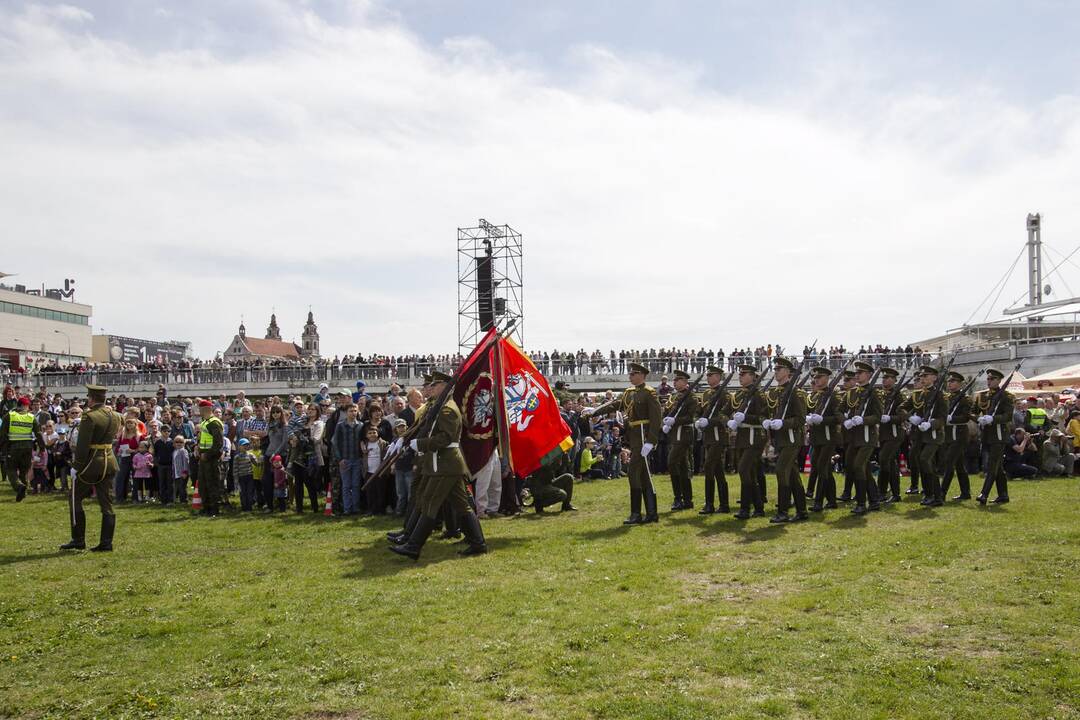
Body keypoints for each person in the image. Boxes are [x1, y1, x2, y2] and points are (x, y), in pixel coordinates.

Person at [389, 370, 487, 560]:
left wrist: (422, 444)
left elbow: (446, 437)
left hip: (445, 463)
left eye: (434, 385)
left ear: (443, 386)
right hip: (444, 463)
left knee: (430, 502)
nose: (431, 388)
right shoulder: (442, 406)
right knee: (461, 505)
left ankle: (414, 546)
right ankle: (478, 543)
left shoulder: (448, 409)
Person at [586, 362, 660, 525]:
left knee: (634, 472)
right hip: (634, 436)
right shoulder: (628, 393)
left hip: (643, 434)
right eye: (630, 374)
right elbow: (614, 405)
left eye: (633, 374)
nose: (630, 377)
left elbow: (656, 419)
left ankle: (636, 514)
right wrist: (595, 411)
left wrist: (651, 441)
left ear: (642, 375)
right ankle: (651, 513)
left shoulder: (649, 393)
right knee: (643, 475)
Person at [60, 385, 121, 552]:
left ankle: (78, 539)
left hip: (91, 463)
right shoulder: (115, 415)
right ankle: (106, 543)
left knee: (75, 498)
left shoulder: (89, 416)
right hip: (109, 461)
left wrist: (77, 466)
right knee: (106, 503)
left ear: (91, 398)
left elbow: (82, 444)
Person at [763, 357, 809, 523]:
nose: (776, 371)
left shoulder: (796, 392)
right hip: (780, 440)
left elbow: (800, 419)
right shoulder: (776, 392)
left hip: (791, 438)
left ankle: (783, 511)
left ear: (788, 372)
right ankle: (802, 511)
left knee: (781, 470)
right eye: (775, 369)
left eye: (779, 369)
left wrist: (783, 423)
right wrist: (768, 421)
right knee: (792, 475)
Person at [901, 365, 947, 507]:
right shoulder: (918, 394)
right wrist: (910, 417)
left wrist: (931, 424)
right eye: (922, 376)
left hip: (934, 435)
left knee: (924, 459)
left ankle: (936, 495)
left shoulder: (940, 395)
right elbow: (901, 408)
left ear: (934, 377)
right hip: (920, 435)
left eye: (926, 376)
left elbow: (943, 418)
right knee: (924, 463)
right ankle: (930, 495)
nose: (923, 378)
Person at [842, 360, 883, 514]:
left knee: (859, 466)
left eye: (861, 373)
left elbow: (878, 416)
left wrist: (863, 420)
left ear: (869, 375)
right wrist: (845, 420)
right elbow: (840, 410)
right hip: (854, 437)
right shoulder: (851, 392)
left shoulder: (874, 392)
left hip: (867, 437)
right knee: (861, 468)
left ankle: (861, 503)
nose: (857, 375)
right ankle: (874, 500)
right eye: (856, 373)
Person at [728, 364, 767, 519]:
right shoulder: (740, 394)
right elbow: (727, 410)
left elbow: (764, 417)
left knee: (744, 470)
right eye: (740, 374)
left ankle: (745, 508)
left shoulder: (759, 394)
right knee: (748, 473)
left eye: (744, 374)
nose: (741, 376)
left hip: (754, 436)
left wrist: (746, 418)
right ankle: (758, 508)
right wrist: (729, 420)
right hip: (742, 437)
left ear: (752, 376)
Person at [972, 368, 1015, 505]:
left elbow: (1008, 416)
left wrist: (993, 419)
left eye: (992, 379)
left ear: (999, 381)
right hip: (986, 435)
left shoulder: (1007, 397)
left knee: (991, 465)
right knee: (997, 466)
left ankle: (984, 494)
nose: (989, 381)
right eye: (988, 379)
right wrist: (978, 418)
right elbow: (972, 412)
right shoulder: (981, 396)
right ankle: (1003, 495)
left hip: (999, 435)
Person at [805, 366, 844, 511]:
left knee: (822, 467)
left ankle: (818, 502)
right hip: (816, 438)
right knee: (824, 469)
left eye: (819, 377)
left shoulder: (833, 396)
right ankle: (832, 500)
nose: (816, 380)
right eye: (815, 378)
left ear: (827, 378)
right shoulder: (814, 396)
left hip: (828, 437)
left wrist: (823, 420)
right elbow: (808, 411)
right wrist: (808, 418)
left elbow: (838, 417)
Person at [661, 369, 700, 511]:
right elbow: (668, 412)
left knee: (671, 462)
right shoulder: (676, 397)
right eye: (674, 380)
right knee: (683, 467)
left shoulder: (692, 397)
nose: (674, 382)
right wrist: (665, 421)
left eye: (677, 380)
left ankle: (678, 498)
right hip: (675, 434)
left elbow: (691, 417)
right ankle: (687, 500)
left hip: (684, 434)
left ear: (684, 382)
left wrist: (674, 421)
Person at [696, 365, 731, 514]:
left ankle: (709, 504)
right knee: (717, 471)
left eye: (711, 375)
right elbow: (699, 411)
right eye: (708, 375)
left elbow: (725, 416)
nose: (708, 378)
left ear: (718, 377)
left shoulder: (725, 394)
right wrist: (697, 420)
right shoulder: (705, 394)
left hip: (718, 435)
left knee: (709, 467)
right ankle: (723, 505)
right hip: (709, 437)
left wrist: (709, 422)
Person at [1, 396, 46, 501]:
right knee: (24, 471)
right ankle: (23, 493)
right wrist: (42, 447)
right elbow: (38, 433)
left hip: (13, 447)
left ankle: (19, 487)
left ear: (18, 405)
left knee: (10, 469)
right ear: (26, 406)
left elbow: (2, 434)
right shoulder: (31, 417)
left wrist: (3, 448)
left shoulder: (9, 416)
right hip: (27, 448)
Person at [940, 371, 973, 501]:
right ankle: (965, 493)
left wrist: (951, 419)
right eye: (949, 381)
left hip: (959, 435)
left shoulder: (966, 399)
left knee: (949, 463)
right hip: (948, 434)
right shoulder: (946, 397)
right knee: (959, 464)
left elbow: (966, 417)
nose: (949, 383)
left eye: (952, 381)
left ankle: (942, 493)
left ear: (959, 384)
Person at [875, 367, 906, 503]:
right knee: (889, 462)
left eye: (887, 378)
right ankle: (893, 493)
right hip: (883, 434)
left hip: (894, 433)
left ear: (894, 380)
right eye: (883, 378)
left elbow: (903, 415)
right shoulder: (882, 395)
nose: (884, 380)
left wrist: (890, 418)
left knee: (884, 459)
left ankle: (882, 491)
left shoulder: (899, 396)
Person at [332, 402, 364, 515]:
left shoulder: (360, 425)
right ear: (346, 412)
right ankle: (347, 508)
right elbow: (335, 442)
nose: (353, 413)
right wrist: (340, 459)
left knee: (356, 485)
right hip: (345, 459)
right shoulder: (340, 425)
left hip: (357, 459)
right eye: (351, 411)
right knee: (346, 485)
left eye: (355, 411)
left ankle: (355, 508)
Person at [196, 399, 225, 516]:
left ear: (205, 409)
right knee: (203, 484)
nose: (199, 411)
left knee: (212, 483)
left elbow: (218, 444)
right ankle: (206, 507)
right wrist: (198, 449)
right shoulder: (205, 422)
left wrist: (207, 454)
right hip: (204, 458)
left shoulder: (214, 423)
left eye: (200, 409)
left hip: (212, 459)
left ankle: (214, 509)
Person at [172, 435, 190, 503]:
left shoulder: (183, 451)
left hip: (182, 472)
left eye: (181, 442)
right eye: (177, 442)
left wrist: (185, 472)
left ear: (184, 443)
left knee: (182, 487)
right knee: (178, 487)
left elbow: (186, 461)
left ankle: (184, 500)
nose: (179, 443)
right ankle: (178, 499)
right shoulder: (174, 451)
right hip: (176, 473)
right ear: (174, 443)